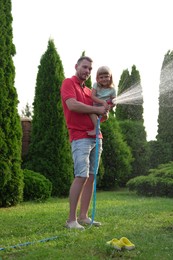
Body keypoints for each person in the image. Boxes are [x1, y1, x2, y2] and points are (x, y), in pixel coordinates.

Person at [60, 56, 109, 230]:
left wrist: (104, 112)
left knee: (91, 177)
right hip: (80, 137)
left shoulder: (90, 92)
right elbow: (72, 105)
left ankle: (83, 216)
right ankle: (71, 220)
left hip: (96, 137)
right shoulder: (68, 83)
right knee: (81, 176)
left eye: (90, 69)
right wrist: (97, 109)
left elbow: (97, 116)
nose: (87, 71)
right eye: (85, 67)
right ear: (76, 66)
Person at [87, 66, 116, 136]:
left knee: (97, 115)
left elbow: (114, 102)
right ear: (97, 78)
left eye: (106, 77)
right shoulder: (96, 85)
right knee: (91, 112)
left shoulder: (112, 90)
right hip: (96, 107)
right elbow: (92, 96)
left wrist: (110, 106)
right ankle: (96, 130)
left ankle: (96, 130)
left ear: (110, 77)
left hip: (104, 111)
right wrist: (102, 102)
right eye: (101, 77)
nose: (104, 79)